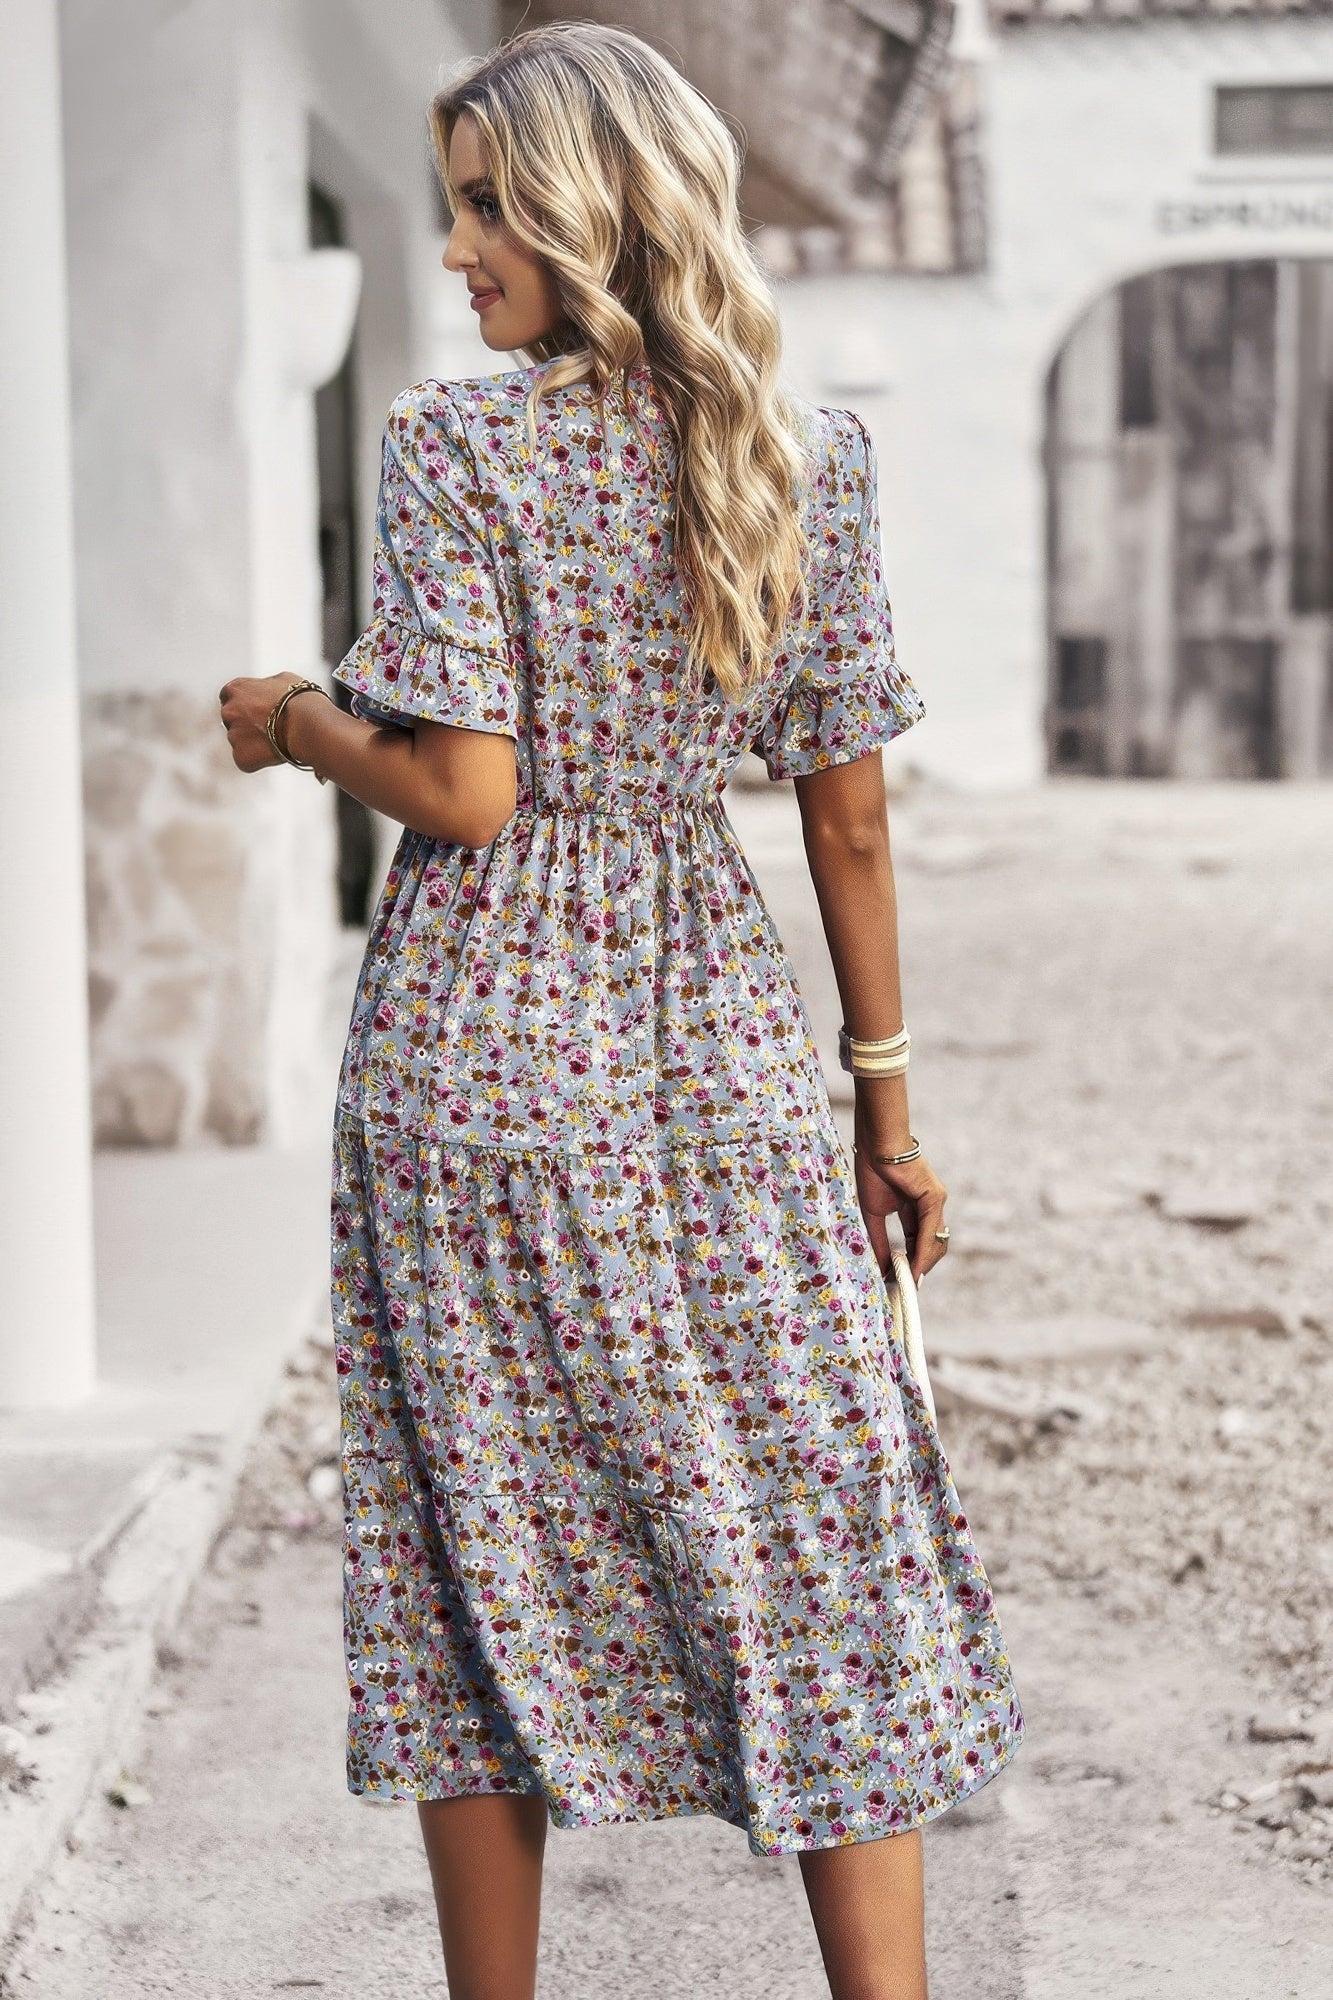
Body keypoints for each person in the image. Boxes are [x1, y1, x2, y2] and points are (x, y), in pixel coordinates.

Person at [219, 20, 1024, 1998]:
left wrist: (300, 718)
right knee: (815, 1512)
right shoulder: (805, 455)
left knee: (472, 1523)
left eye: (492, 207)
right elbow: (845, 818)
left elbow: (466, 792)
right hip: (717, 1041)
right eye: (456, 207)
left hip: (477, 1054)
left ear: (597, 205)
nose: (460, 248)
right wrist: (886, 1113)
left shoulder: (455, 446)